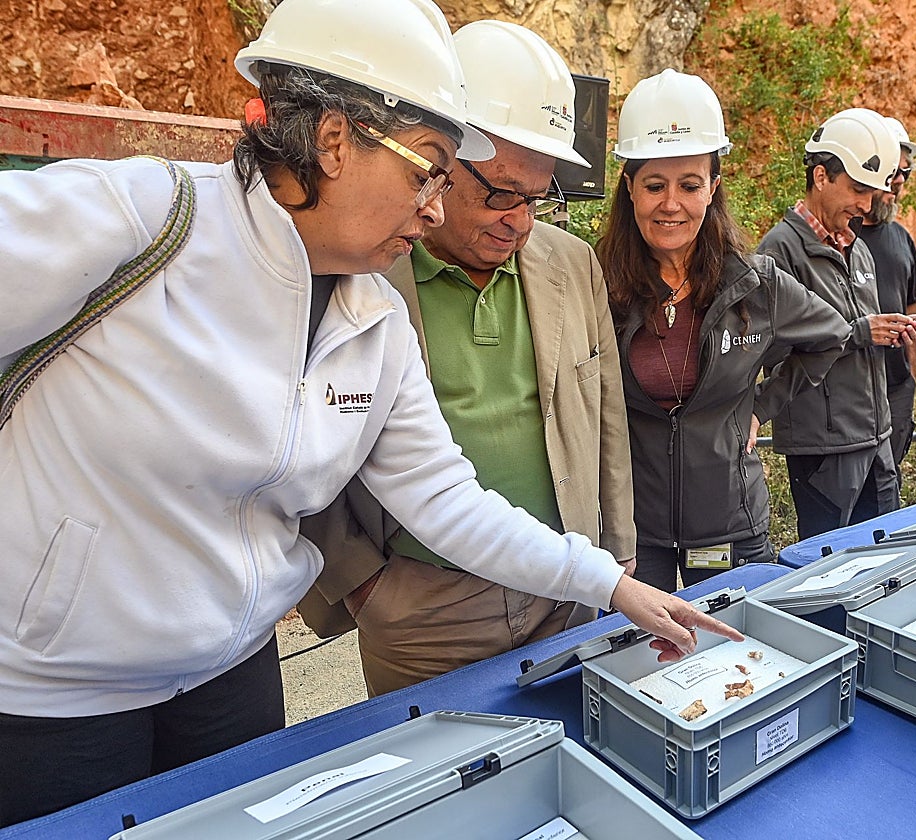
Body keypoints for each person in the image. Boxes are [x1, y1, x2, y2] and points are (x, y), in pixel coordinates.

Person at [0, 0, 739, 825]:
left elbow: (445, 499)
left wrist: (609, 584)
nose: (435, 208)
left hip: (231, 682)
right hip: (53, 698)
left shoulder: (372, 320)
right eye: (428, 170)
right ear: (334, 140)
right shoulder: (137, 222)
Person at [297, 21, 637, 695]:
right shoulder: (357, 270)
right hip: (420, 608)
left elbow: (606, 419)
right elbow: (304, 434)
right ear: (441, 158)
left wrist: (616, 558)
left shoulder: (573, 265)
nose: (521, 220)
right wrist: (363, 584)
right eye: (500, 193)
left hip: (564, 592)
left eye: (537, 197)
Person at [596, 69, 851, 592]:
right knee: (639, 642)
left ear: (713, 188)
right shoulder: (598, 284)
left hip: (730, 526)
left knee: (730, 639)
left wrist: (761, 407)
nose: (671, 203)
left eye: (689, 185)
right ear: (630, 188)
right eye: (654, 185)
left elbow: (832, 334)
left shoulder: (754, 284)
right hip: (631, 530)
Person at [757, 107, 916, 541]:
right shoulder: (779, 252)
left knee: (883, 558)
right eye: (858, 189)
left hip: (875, 441)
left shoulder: (858, 248)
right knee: (827, 564)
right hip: (823, 448)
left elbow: (858, 329)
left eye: (872, 192)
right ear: (821, 177)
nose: (866, 205)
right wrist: (860, 332)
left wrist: (886, 332)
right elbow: (773, 352)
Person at [858, 116, 916, 475]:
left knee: (889, 484)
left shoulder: (901, 239)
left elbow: (913, 312)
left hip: (896, 388)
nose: (899, 182)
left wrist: (911, 381)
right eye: (892, 172)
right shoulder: (837, 235)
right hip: (851, 395)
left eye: (905, 173)